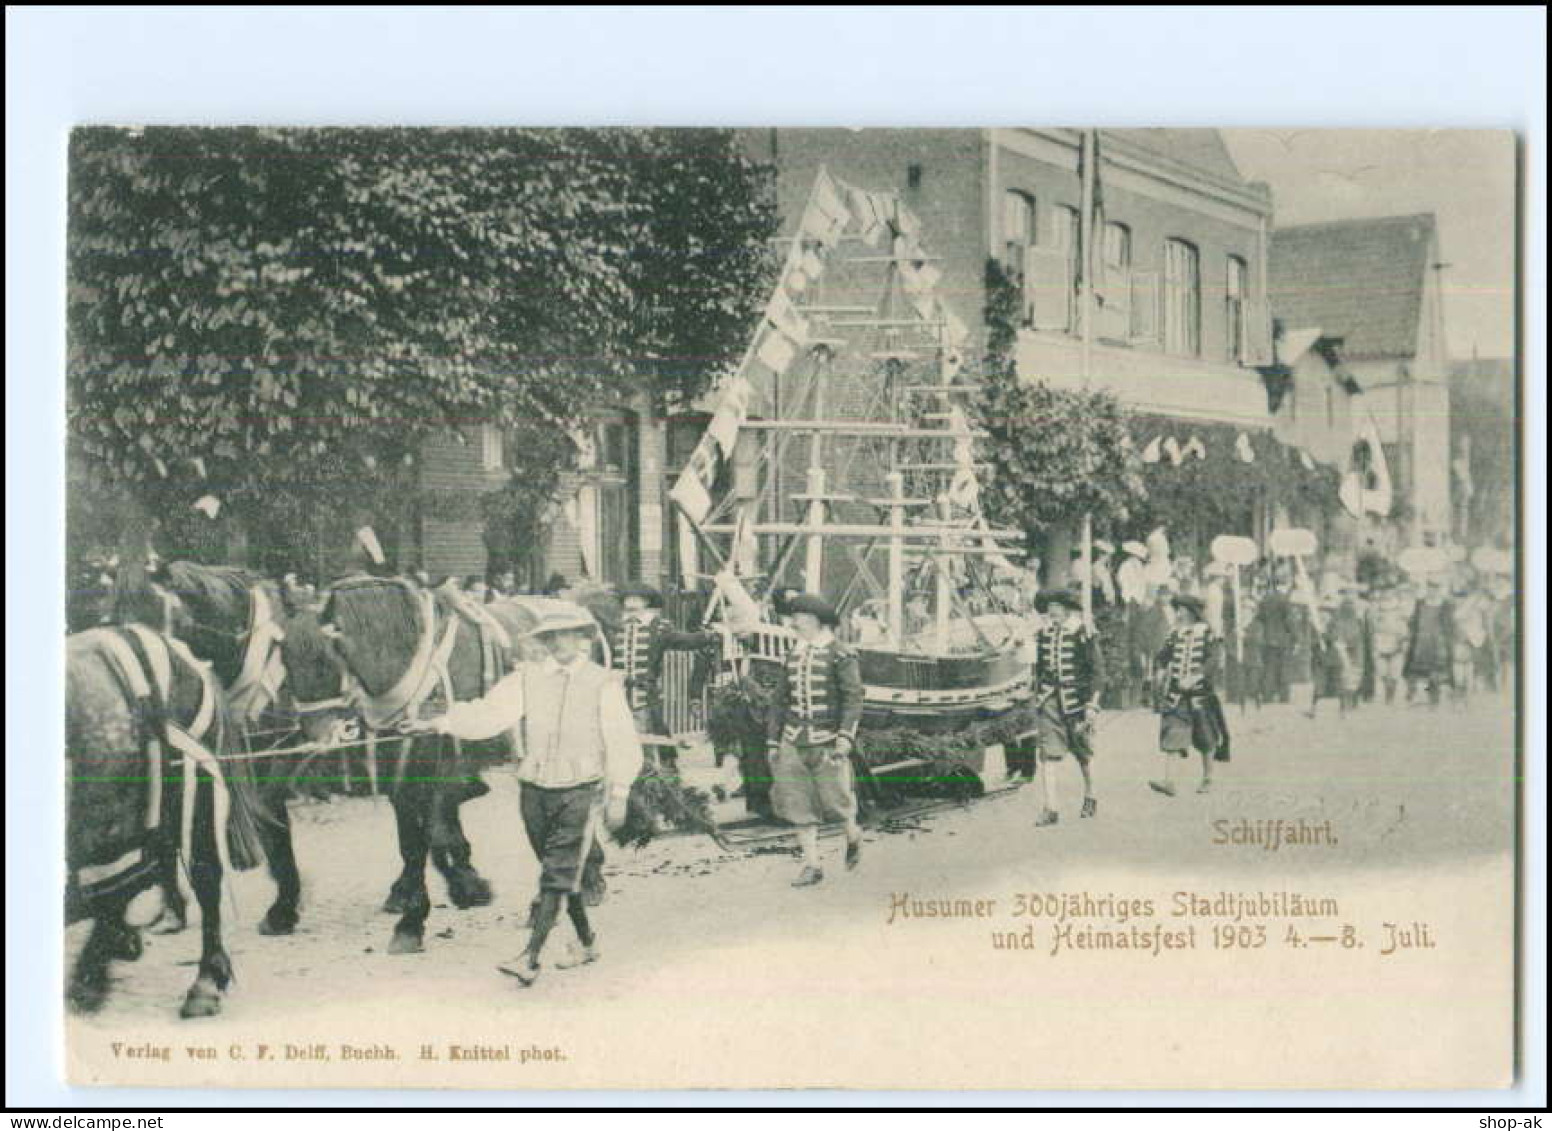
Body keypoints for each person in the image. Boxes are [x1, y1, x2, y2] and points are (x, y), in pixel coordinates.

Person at [424, 606, 642, 985]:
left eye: (567, 635)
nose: (559, 643)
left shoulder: (602, 683)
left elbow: (623, 740)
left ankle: (530, 957)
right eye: (552, 637)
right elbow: (489, 715)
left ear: (582, 638)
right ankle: (587, 942)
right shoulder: (527, 680)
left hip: (582, 789)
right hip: (535, 790)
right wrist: (440, 722)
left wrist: (619, 793)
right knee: (557, 869)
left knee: (557, 873)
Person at [765, 594, 864, 887]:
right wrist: (773, 740)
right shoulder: (793, 654)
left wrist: (845, 737)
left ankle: (852, 834)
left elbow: (853, 699)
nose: (794, 622)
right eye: (794, 617)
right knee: (797, 803)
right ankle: (812, 865)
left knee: (838, 801)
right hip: (793, 740)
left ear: (817, 620)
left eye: (801, 617)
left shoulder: (841, 654)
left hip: (828, 741)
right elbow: (779, 702)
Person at [609, 582, 720, 773]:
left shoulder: (658, 627)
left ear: (646, 602)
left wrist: (709, 634)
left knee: (649, 739)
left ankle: (653, 779)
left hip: (645, 696)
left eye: (637, 599)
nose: (631, 603)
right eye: (628, 599)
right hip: (617, 695)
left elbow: (686, 641)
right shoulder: (613, 626)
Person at [1029, 588, 1104, 825]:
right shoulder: (1043, 633)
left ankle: (1091, 795)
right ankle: (1051, 808)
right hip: (1049, 699)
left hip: (1077, 702)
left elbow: (1097, 671)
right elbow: (1038, 668)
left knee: (1084, 753)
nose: (1052, 611)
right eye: (1050, 606)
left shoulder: (1084, 632)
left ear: (1067, 608)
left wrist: (1092, 704)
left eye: (1057, 606)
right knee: (1048, 753)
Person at [1150, 593, 1231, 797]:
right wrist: (1159, 669)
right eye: (1176, 609)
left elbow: (1213, 660)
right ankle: (1169, 781)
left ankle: (1208, 778)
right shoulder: (1174, 634)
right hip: (1177, 694)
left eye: (1181, 610)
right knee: (1173, 734)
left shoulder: (1207, 634)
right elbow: (1162, 657)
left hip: (1200, 694)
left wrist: (1196, 676)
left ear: (1190, 612)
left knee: (1206, 738)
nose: (1177, 613)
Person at [1403, 578, 1455, 707]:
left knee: (1436, 672)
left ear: (1439, 590)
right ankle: (1414, 695)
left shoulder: (1446, 605)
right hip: (1420, 642)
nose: (1432, 592)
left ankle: (1434, 700)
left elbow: (1449, 625)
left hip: (1438, 642)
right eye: (1430, 589)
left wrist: (1446, 641)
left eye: (1435, 589)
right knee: (1416, 672)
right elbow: (1413, 621)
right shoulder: (1420, 603)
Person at [1370, 585, 1411, 705]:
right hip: (1380, 644)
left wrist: (1404, 641)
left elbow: (1405, 628)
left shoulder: (1400, 612)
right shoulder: (1376, 612)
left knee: (1394, 673)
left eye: (1390, 596)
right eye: (1385, 596)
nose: (1387, 598)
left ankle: (1390, 697)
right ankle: (1387, 692)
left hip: (1396, 644)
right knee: (1382, 672)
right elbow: (1372, 629)